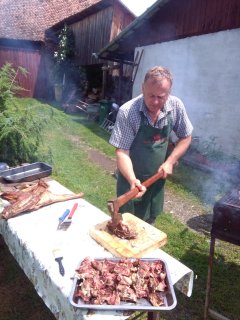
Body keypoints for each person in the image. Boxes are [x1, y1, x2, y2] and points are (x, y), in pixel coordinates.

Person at [109, 66, 193, 225]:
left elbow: (186, 137)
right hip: (131, 182)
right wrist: (133, 180)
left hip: (156, 182)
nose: (155, 102)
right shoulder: (128, 112)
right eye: (150, 95)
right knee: (126, 227)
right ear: (142, 88)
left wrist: (169, 161)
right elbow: (122, 151)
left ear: (169, 92)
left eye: (160, 97)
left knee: (149, 225)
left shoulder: (175, 106)